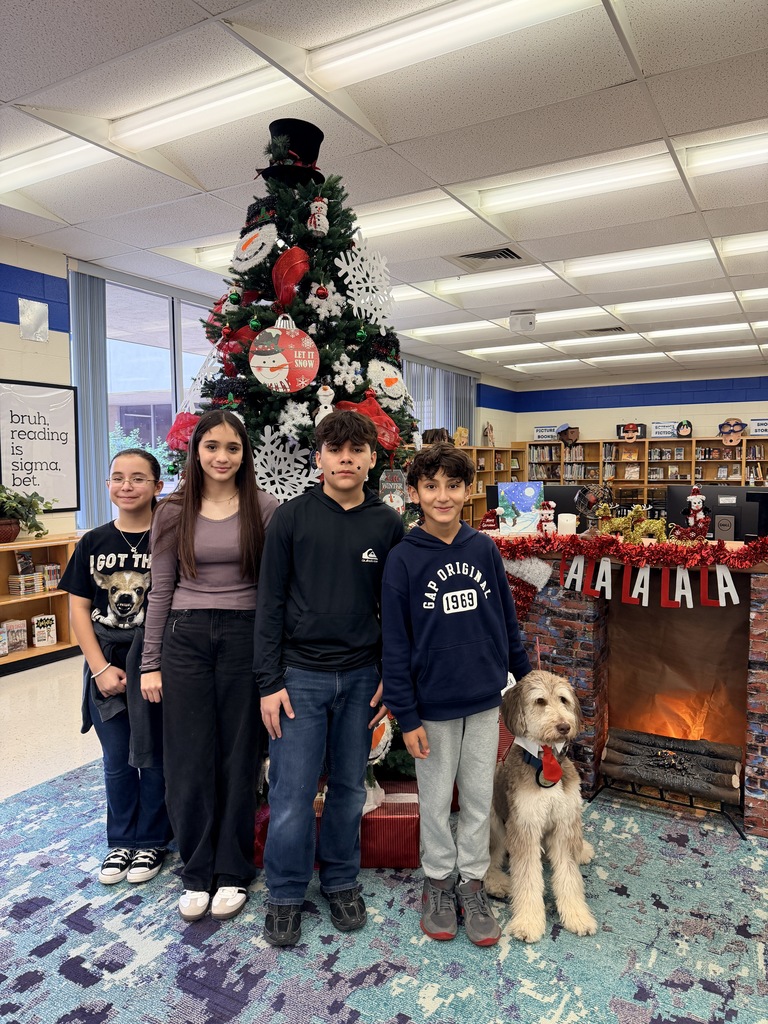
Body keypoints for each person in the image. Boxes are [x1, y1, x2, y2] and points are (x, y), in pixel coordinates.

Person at [255, 409, 404, 947]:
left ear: (370, 459)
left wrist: (390, 671)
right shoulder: (291, 518)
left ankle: (340, 879)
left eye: (356, 450)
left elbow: (396, 606)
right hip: (299, 680)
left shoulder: (387, 523)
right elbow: (268, 604)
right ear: (318, 458)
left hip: (363, 678)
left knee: (346, 788)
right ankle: (286, 892)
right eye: (335, 450)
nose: (346, 458)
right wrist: (268, 681)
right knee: (292, 792)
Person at [381, 442, 532, 947]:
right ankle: (438, 881)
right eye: (431, 486)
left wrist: (525, 679)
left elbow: (506, 620)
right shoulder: (403, 559)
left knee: (477, 796)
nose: (442, 496)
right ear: (415, 493)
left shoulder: (484, 549)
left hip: (484, 699)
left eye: (453, 485)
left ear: (468, 491)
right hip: (431, 708)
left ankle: (472, 882)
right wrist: (406, 714)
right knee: (434, 798)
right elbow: (395, 644)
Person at [141, 410, 278, 922]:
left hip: (244, 637)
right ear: (196, 451)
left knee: (240, 757)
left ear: (245, 454)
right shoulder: (173, 510)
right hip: (185, 638)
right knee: (189, 758)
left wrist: (270, 662)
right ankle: (197, 870)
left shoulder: (263, 508)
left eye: (233, 448)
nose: (222, 457)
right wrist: (150, 662)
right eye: (212, 447)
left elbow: (271, 593)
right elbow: (160, 589)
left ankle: (233, 870)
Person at [61, 448, 171, 886]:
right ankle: (120, 841)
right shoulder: (93, 541)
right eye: (118, 477)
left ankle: (153, 841)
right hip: (106, 660)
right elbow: (78, 611)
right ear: (107, 485)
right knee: (117, 759)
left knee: (157, 756)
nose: (127, 485)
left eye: (139, 478)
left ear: (158, 487)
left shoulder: (169, 537)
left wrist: (153, 665)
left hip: (157, 663)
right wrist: (100, 668)